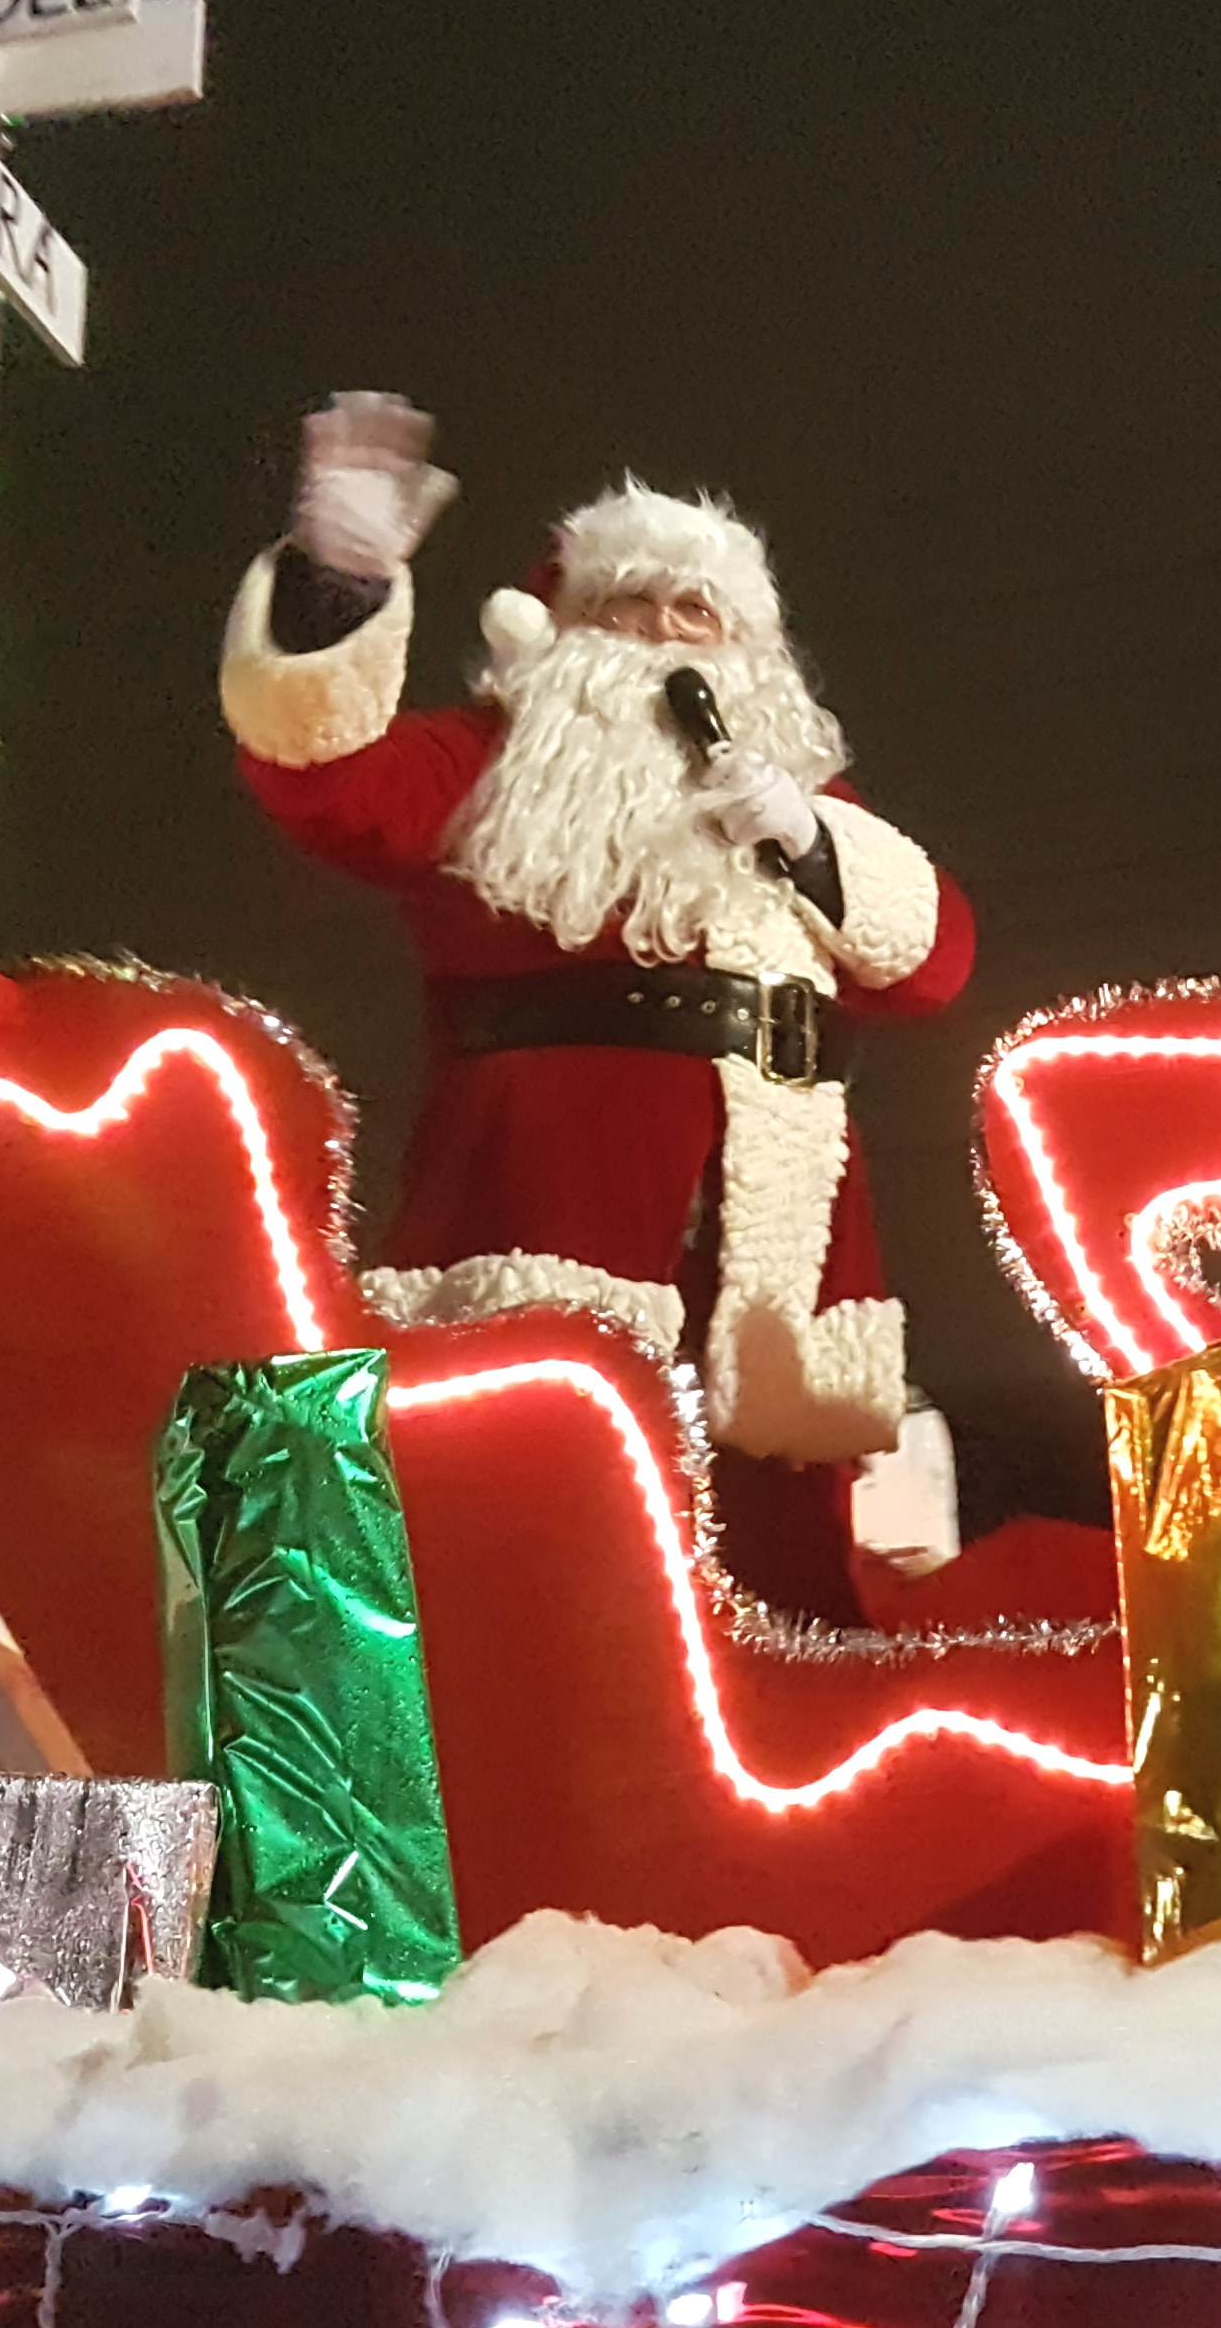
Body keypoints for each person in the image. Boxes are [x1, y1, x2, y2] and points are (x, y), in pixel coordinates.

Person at [219, 395, 973, 1613]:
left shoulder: (799, 793)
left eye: (695, 612)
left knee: (775, 1578)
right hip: (545, 1207)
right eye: (628, 607)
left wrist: (814, 842)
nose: (664, 636)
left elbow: (934, 962)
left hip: (777, 1239)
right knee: (537, 1561)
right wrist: (339, 587)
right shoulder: (490, 760)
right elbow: (328, 779)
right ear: (563, 629)